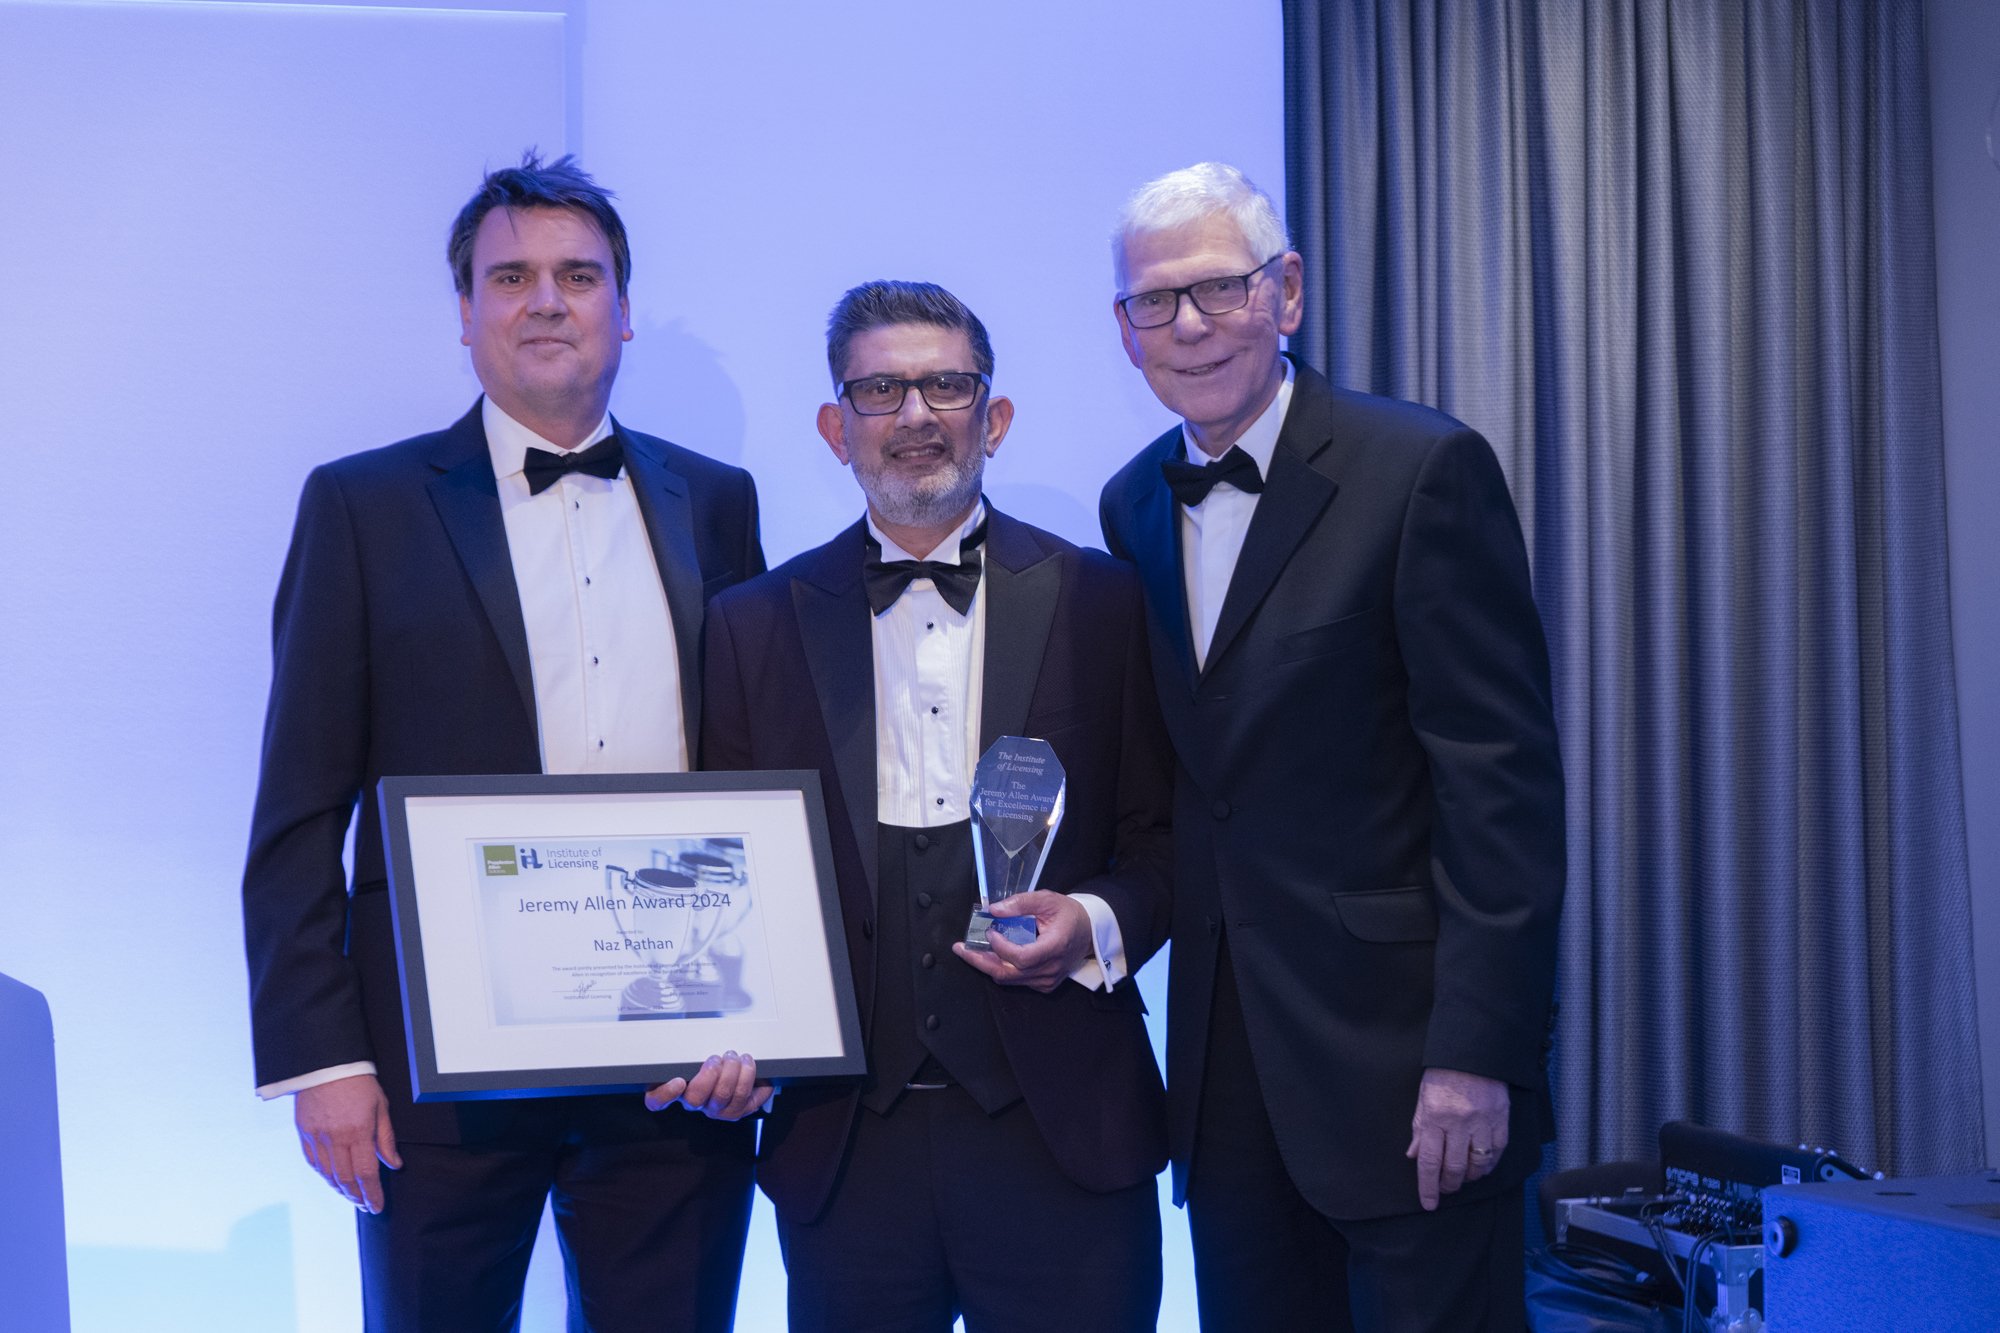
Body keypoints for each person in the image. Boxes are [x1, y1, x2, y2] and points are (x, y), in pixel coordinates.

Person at [240, 152, 765, 1331]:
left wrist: (766, 1015)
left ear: (622, 311)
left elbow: (748, 780)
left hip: (672, 1057)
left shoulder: (716, 499)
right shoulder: (361, 505)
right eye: (510, 276)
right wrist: (322, 1057)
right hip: (434, 1069)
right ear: (466, 314)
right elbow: (297, 806)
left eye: (578, 276)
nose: (545, 300)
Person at [1098, 162, 1566, 1331]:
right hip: (1225, 1081)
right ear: (1122, 331)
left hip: (1407, 1068)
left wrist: (1476, 1055)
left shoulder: (1419, 470)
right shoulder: (1130, 507)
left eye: (1216, 288)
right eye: (1154, 302)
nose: (1188, 325)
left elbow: (1497, 790)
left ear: (1287, 293)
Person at [689, 281, 1172, 1332]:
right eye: (880, 390)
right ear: (835, 427)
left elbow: (1167, 836)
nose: (915, 416)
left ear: (991, 416)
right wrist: (720, 1026)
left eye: (945, 385)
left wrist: (1092, 921)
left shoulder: (1105, 600)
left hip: (1064, 1134)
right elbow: (724, 871)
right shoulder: (748, 625)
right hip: (843, 1150)